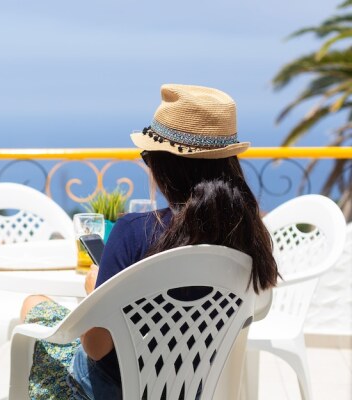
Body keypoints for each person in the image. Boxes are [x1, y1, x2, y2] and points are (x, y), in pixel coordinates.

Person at [19, 84, 279, 399]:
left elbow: (96, 346)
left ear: (164, 164)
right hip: (190, 388)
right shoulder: (249, 237)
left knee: (33, 305)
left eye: (148, 156)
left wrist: (96, 293)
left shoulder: (133, 232)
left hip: (110, 390)